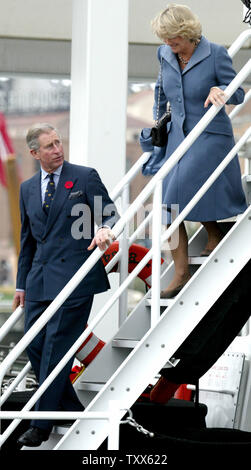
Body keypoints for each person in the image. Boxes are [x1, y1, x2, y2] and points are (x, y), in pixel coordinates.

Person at [13, 123, 119, 447]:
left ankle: (40, 425)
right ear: (34, 153)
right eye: (49, 146)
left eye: (58, 142)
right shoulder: (28, 188)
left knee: (56, 347)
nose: (57, 149)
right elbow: (27, 241)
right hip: (39, 281)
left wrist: (104, 230)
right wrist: (21, 285)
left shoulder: (84, 176)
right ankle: (70, 409)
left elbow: (111, 215)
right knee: (33, 345)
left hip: (75, 280)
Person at [140, 3, 247, 301]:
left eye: (173, 39)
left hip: (210, 136)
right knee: (166, 203)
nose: (168, 45)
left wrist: (219, 90)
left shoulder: (215, 53)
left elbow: (237, 92)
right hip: (177, 136)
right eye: (165, 39)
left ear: (187, 33)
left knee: (174, 199)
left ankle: (192, 260)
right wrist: (157, 119)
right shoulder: (165, 53)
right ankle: (187, 264)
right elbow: (162, 87)